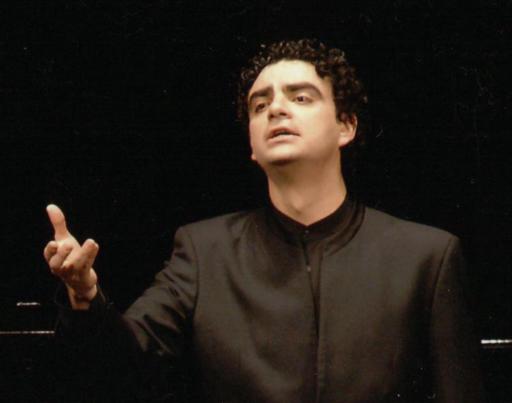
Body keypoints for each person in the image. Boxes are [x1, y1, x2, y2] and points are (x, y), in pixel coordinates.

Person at [44, 39, 485, 402]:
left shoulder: (426, 257)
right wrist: (85, 296)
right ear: (252, 147)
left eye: (300, 97)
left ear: (346, 126)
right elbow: (123, 370)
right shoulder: (205, 252)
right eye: (260, 104)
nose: (276, 109)